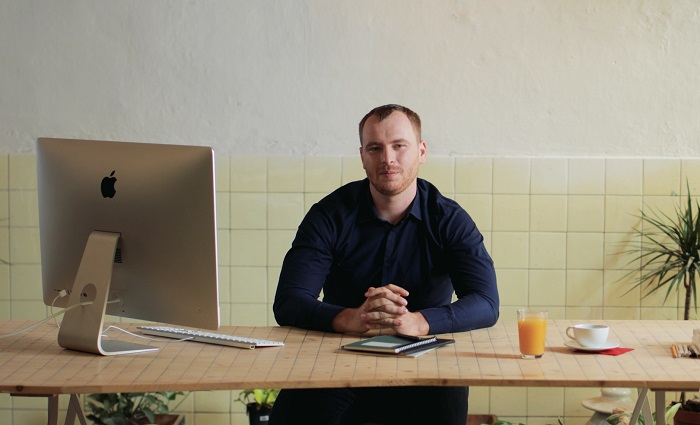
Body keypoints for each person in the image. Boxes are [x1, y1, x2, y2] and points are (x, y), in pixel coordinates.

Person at [270, 104, 499, 425]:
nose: (387, 158)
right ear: (362, 156)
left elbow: (486, 302)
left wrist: (419, 322)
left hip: (425, 357)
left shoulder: (450, 219)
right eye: (375, 148)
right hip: (339, 354)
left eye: (399, 146)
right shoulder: (329, 215)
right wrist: (350, 318)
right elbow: (288, 301)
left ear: (421, 151)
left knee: (446, 398)